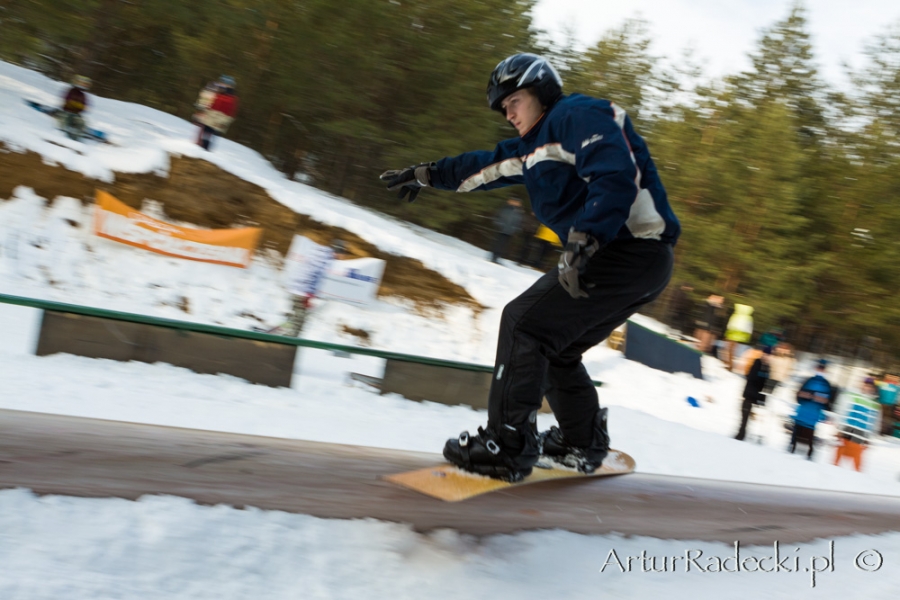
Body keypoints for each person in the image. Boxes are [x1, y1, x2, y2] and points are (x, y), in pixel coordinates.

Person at [379, 53, 680, 481]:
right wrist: (426, 175)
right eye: (503, 108)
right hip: (627, 259)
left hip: (626, 249)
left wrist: (584, 240)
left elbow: (614, 173)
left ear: (540, 92)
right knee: (555, 346)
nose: (508, 113)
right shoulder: (531, 149)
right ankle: (582, 443)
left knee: (523, 324)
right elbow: (480, 167)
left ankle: (508, 444)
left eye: (513, 101)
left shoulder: (577, 114)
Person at [789, 358, 833, 459]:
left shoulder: (826, 384)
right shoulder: (808, 380)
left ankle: (809, 455)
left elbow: (827, 401)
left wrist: (816, 398)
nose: (820, 370)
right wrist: (808, 396)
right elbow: (799, 394)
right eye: (819, 368)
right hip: (803, 411)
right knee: (797, 432)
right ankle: (792, 449)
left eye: (822, 369)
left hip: (814, 414)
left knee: (809, 435)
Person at [833, 377, 881, 471]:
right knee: (837, 458)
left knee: (857, 463)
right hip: (847, 430)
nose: (867, 387)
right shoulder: (851, 396)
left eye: (870, 386)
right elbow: (841, 411)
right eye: (865, 385)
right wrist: (838, 428)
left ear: (873, 388)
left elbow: (875, 422)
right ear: (862, 384)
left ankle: (857, 480)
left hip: (860, 434)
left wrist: (869, 437)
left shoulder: (875, 405)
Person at [734, 346, 771, 441]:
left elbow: (766, 383)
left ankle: (743, 434)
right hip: (750, 393)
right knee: (744, 414)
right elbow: (752, 377)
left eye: (768, 355)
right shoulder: (757, 363)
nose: (766, 356)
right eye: (765, 354)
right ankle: (741, 433)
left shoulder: (767, 367)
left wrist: (763, 396)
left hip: (757, 395)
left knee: (748, 415)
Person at [195, 75, 239, 151]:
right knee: (205, 132)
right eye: (221, 82)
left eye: (224, 83)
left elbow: (231, 111)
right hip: (210, 116)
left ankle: (204, 149)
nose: (222, 84)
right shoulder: (215, 90)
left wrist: (226, 121)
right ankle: (200, 148)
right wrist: (202, 109)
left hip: (219, 118)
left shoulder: (232, 98)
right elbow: (206, 100)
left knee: (210, 134)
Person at [490, 197, 524, 263]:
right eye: (514, 201)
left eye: (518, 203)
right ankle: (494, 256)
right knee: (498, 243)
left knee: (504, 245)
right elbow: (497, 216)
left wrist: (516, 228)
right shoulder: (505, 208)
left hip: (509, 231)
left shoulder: (519, 211)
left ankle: (498, 256)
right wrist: (499, 224)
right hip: (501, 229)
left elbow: (519, 222)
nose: (516, 203)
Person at [58, 75, 91, 140]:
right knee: (65, 119)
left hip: (76, 114)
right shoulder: (71, 91)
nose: (82, 85)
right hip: (67, 111)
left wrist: (78, 106)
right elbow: (67, 101)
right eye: (81, 83)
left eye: (84, 84)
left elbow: (84, 106)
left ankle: (76, 138)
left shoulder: (83, 95)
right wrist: (75, 104)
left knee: (82, 123)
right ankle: (61, 135)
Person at [723, 303, 754, 371]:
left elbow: (730, 325)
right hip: (740, 336)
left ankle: (729, 364)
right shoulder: (748, 317)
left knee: (728, 349)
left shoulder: (736, 315)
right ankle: (729, 363)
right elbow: (749, 328)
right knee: (733, 350)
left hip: (732, 334)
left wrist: (727, 332)